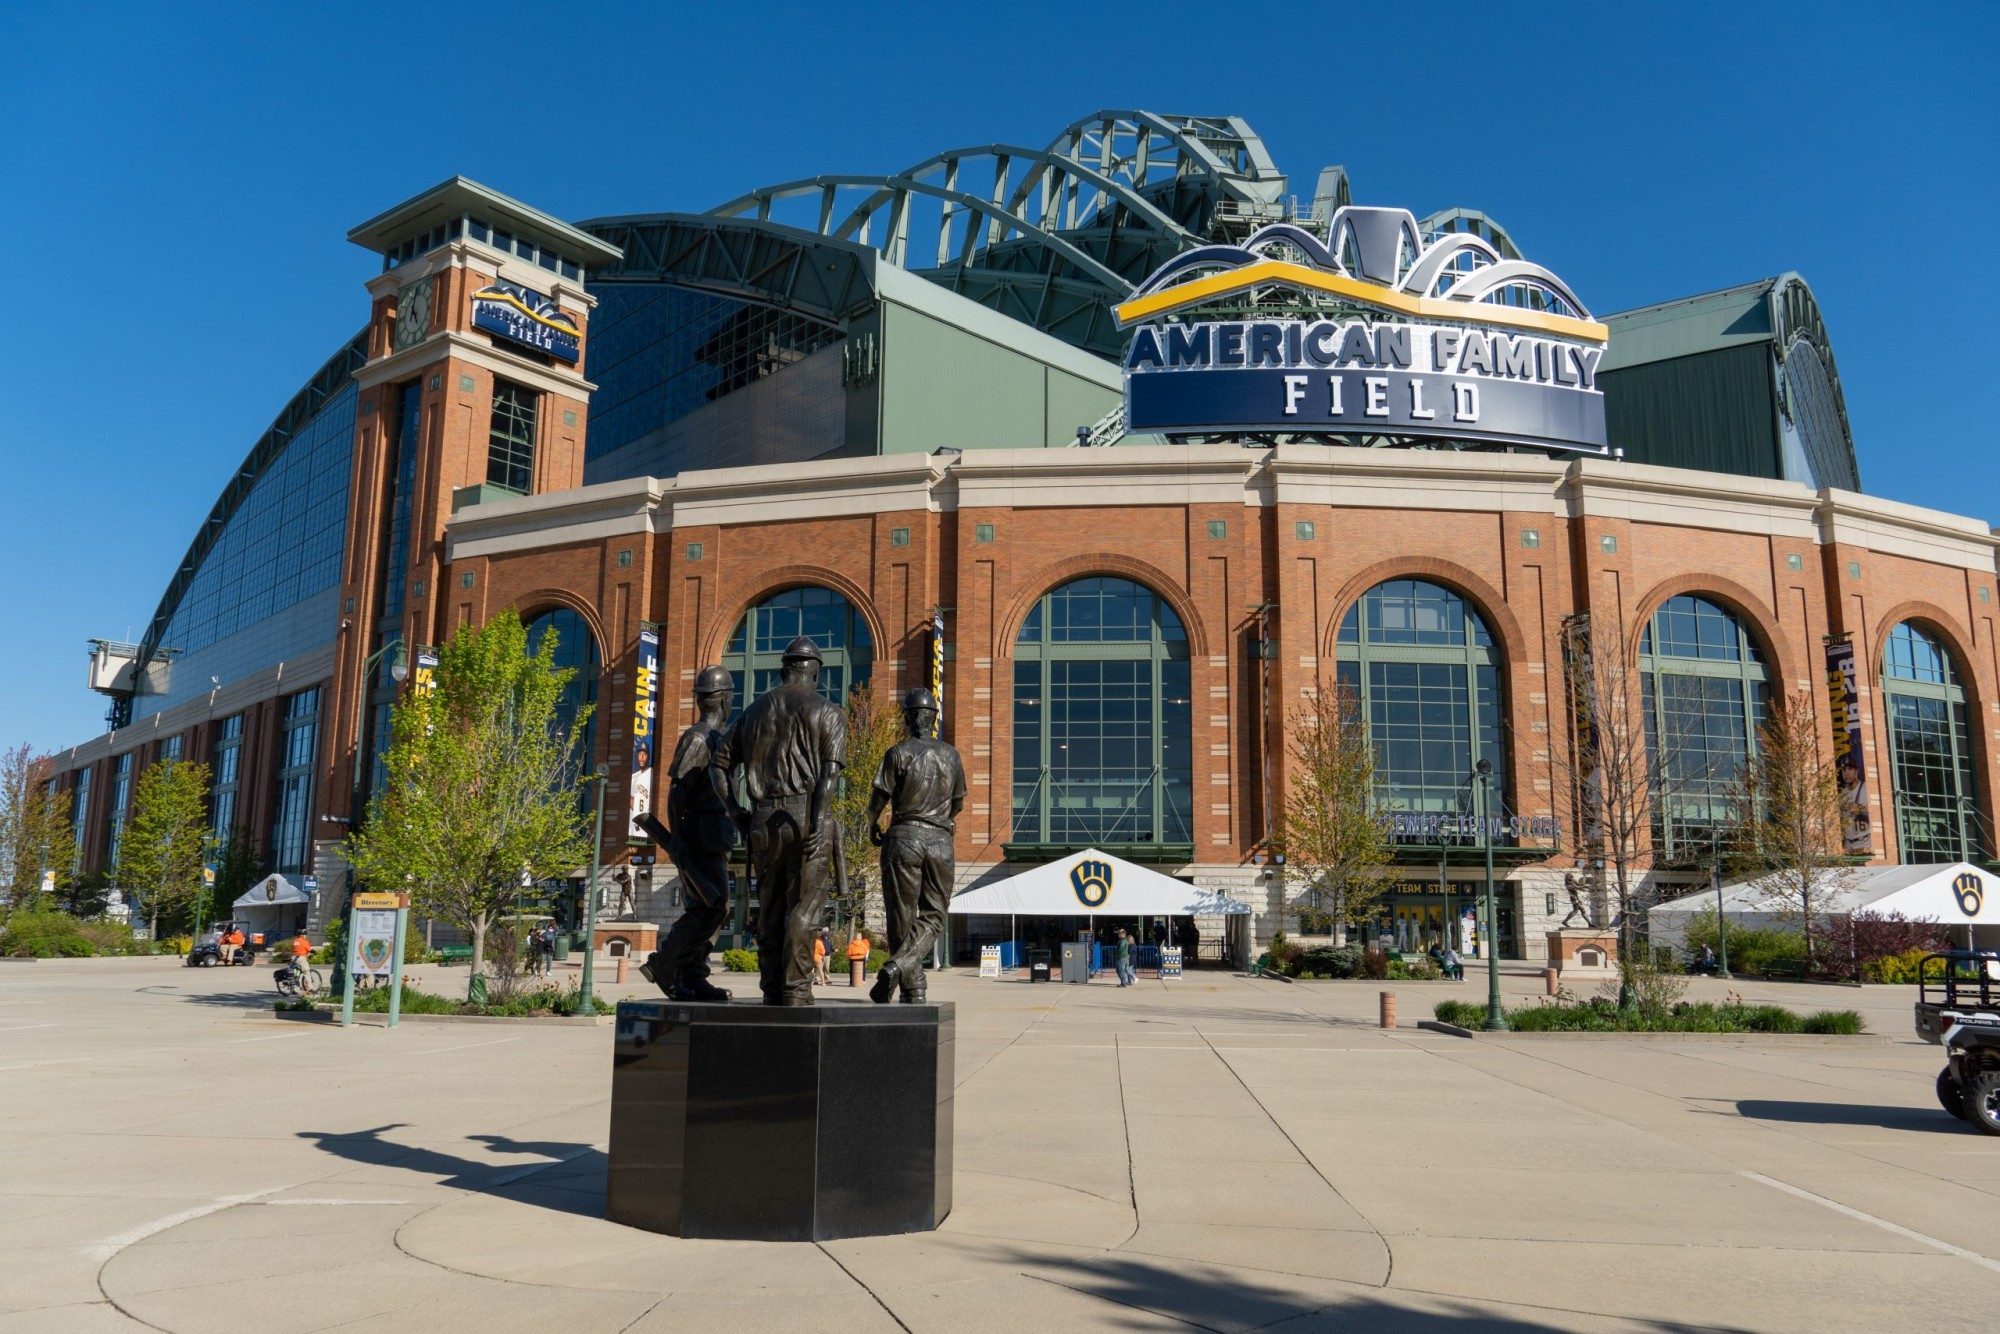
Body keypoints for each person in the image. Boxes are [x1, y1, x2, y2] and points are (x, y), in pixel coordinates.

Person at [711, 637, 846, 1007]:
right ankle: (796, 989)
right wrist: (818, 821)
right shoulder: (828, 712)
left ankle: (771, 986)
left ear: (784, 669)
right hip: (806, 814)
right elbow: (829, 777)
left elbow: (719, 765)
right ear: (815, 672)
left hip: (762, 817)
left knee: (769, 908)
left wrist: (735, 809)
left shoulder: (753, 711)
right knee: (805, 908)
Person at [639, 665, 738, 1003]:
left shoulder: (719, 738)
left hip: (715, 835)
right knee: (710, 906)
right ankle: (667, 963)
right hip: (697, 835)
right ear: (723, 699)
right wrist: (678, 838)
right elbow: (677, 791)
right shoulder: (698, 738)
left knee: (716, 908)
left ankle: (692, 974)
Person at [866, 688, 966, 1004]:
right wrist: (941, 819)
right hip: (939, 841)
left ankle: (898, 968)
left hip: (903, 837)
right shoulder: (951, 755)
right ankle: (914, 986)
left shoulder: (897, 753)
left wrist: (870, 824)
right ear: (933, 718)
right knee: (934, 915)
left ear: (908, 718)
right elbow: (958, 804)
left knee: (901, 916)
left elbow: (879, 798)